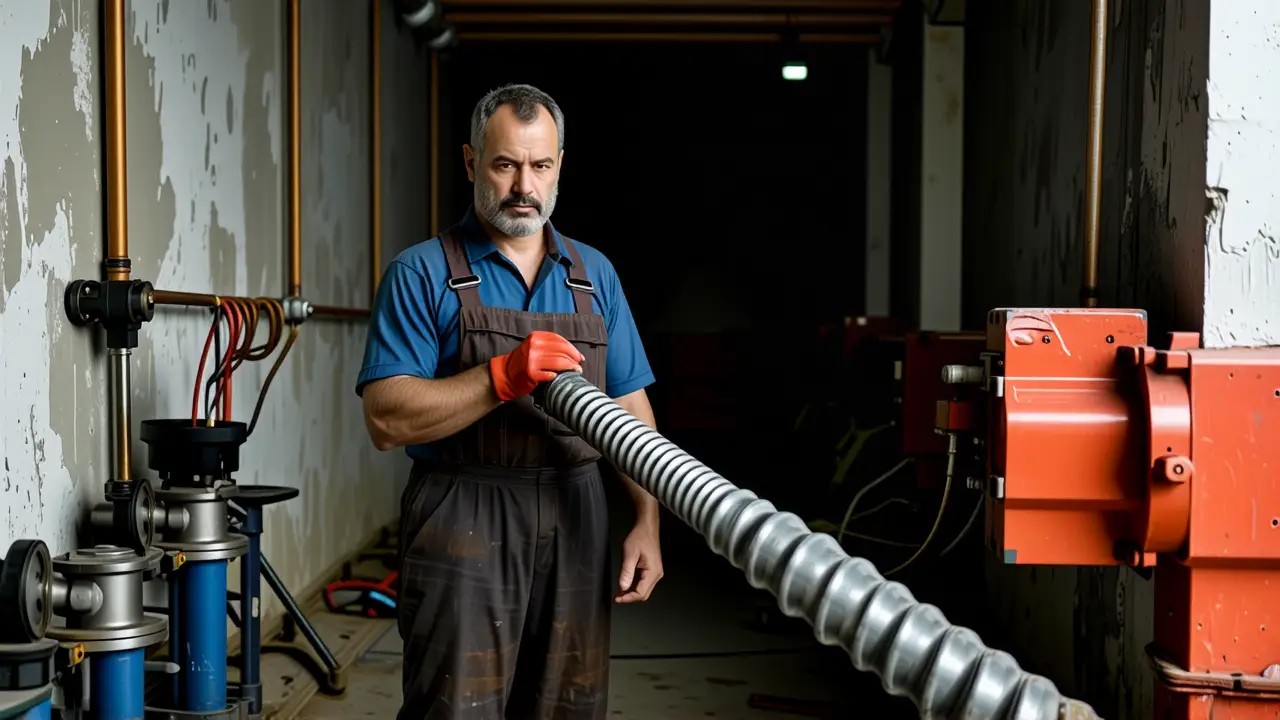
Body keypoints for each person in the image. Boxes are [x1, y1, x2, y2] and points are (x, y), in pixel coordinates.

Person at [356, 83, 664, 720]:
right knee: (456, 704)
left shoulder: (594, 275)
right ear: (472, 163)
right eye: (505, 164)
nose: (525, 185)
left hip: (578, 511)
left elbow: (630, 404)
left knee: (568, 705)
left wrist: (647, 520)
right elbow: (386, 417)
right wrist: (501, 376)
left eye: (540, 165)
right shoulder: (421, 273)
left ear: (559, 166)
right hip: (464, 507)